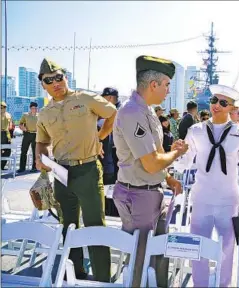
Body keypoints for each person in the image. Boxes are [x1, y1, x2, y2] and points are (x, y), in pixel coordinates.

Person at [35, 58, 117, 282]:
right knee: (67, 227)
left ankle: (102, 280)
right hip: (61, 173)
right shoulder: (44, 113)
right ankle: (75, 275)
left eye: (58, 77)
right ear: (43, 84)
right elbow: (41, 141)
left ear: (65, 77)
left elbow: (112, 114)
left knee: (95, 226)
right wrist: (39, 156)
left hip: (88, 169)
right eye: (48, 80)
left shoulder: (85, 98)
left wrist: (99, 138)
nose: (55, 83)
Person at [112, 55, 188, 287]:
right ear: (153, 85)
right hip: (139, 195)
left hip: (149, 191)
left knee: (154, 256)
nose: (167, 90)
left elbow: (152, 158)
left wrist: (167, 177)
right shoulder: (133, 112)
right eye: (166, 85)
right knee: (140, 261)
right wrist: (177, 154)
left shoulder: (147, 110)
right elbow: (152, 162)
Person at [175, 84, 239, 287]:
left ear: (232, 107)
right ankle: (200, 284)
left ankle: (223, 284)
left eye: (222, 102)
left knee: (227, 249)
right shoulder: (195, 131)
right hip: (201, 198)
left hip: (228, 201)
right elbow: (184, 163)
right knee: (198, 247)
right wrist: (176, 154)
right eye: (213, 101)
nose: (216, 106)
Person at [17, 102, 39, 173]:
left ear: (37, 109)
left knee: (35, 152)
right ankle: (22, 168)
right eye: (33, 108)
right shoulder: (25, 115)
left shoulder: (40, 116)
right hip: (27, 134)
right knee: (24, 151)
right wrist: (23, 128)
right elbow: (20, 123)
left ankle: (34, 168)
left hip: (36, 135)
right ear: (30, 108)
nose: (34, 109)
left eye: (35, 108)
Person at [1, 101, 12, 170]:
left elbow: (10, 125)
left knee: (8, 150)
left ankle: (1, 166)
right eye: (1, 107)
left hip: (7, 134)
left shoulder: (8, 115)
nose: (2, 108)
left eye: (4, 107)